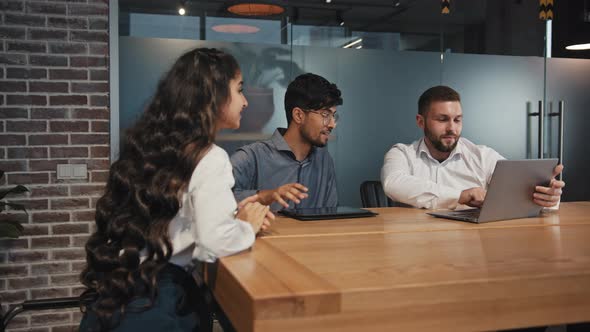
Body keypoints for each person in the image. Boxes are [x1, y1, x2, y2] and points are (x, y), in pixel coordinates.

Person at [79, 48, 273, 331]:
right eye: (239, 89)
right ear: (214, 94)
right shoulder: (210, 156)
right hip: (161, 304)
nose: (245, 102)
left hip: (121, 294)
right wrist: (247, 227)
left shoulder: (154, 147)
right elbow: (215, 242)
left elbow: (177, 221)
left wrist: (228, 216)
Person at [381, 85, 564, 210]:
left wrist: (547, 199)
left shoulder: (483, 156)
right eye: (442, 119)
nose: (452, 128)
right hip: (415, 242)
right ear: (421, 122)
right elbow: (394, 183)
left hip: (470, 246)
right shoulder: (401, 154)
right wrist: (460, 196)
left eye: (457, 120)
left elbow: (517, 192)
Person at [230, 73, 342, 211]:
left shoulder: (324, 160)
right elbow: (215, 199)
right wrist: (264, 196)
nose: (332, 124)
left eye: (333, 116)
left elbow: (331, 215)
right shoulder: (251, 157)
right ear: (298, 115)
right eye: (325, 114)